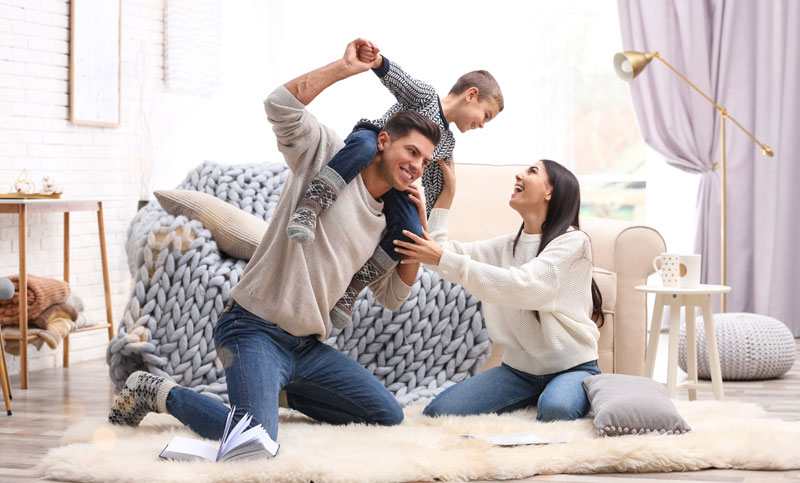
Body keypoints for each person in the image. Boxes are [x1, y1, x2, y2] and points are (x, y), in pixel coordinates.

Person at [108, 38, 441, 441]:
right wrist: (343, 67)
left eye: (424, 161)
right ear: (384, 141)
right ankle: (157, 391)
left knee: (386, 414)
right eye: (412, 151)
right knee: (253, 439)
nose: (416, 167)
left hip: (306, 349)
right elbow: (279, 105)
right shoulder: (327, 154)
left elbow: (392, 297)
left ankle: (274, 391)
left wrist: (417, 230)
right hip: (252, 329)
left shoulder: (393, 217)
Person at [285, 40, 504, 328]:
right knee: (364, 147)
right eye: (485, 115)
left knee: (411, 231)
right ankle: (310, 206)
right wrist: (376, 62)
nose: (483, 125)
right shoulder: (426, 98)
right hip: (374, 142)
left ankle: (352, 289)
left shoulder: (446, 145)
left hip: (396, 182)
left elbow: (434, 189)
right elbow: (402, 83)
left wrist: (447, 194)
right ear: (471, 95)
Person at [394, 158, 605, 422]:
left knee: (557, 410)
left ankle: (570, 389)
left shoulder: (574, 242)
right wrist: (446, 197)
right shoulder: (507, 246)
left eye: (532, 171)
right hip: (518, 373)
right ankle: (536, 396)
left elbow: (523, 286)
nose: (519, 174)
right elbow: (440, 259)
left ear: (550, 191)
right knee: (439, 412)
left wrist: (442, 258)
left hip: (571, 368)